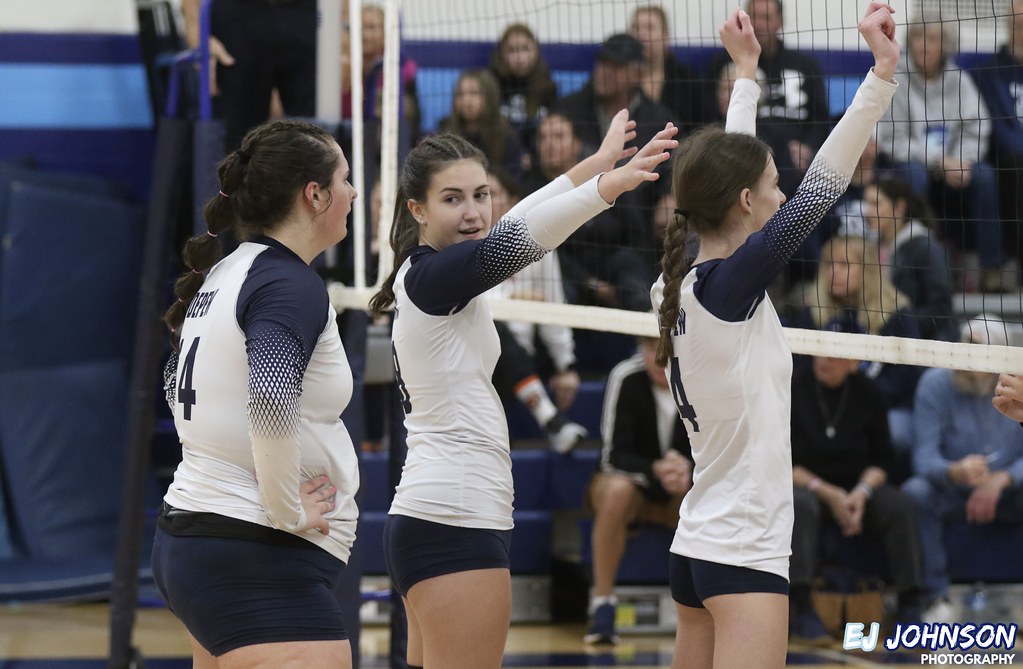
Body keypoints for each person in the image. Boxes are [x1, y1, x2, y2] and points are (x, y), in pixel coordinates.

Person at [368, 115, 678, 668]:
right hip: (456, 520)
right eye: (452, 199)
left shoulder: (431, 274)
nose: (473, 211)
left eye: (481, 194)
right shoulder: (435, 277)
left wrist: (596, 164)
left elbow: (519, 217)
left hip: (436, 517)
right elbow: (523, 239)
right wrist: (609, 188)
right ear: (417, 209)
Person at [651, 5, 898, 668]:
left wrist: (746, 75)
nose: (783, 194)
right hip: (742, 550)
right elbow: (824, 185)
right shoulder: (727, 287)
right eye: (772, 187)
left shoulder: (681, 279)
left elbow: (728, 166)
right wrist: (879, 77)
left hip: (697, 545)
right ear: (743, 203)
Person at [153, 120, 360, 668]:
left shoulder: (226, 272)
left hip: (202, 537)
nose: (353, 192)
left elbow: (176, 384)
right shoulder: (287, 284)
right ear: (314, 195)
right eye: (344, 179)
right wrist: (286, 509)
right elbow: (270, 398)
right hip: (253, 557)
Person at [788, 316, 925, 644]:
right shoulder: (793, 387)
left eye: (836, 353)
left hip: (857, 489)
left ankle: (910, 604)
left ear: (855, 362)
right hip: (808, 486)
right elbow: (780, 459)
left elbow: (883, 459)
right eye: (821, 349)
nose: (826, 359)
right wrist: (829, 493)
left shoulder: (870, 393)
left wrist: (861, 494)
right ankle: (801, 606)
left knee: (901, 505)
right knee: (799, 505)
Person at [902, 314, 1023, 624]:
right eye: (965, 343)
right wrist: (954, 471)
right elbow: (923, 458)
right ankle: (935, 598)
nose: (967, 355)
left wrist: (1004, 479)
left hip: (1010, 491)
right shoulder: (935, 383)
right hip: (952, 490)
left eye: (977, 347)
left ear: (1000, 355)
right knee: (915, 493)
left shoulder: (1017, 385)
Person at [875, 18, 1004, 291]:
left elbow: (978, 127)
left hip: (956, 162)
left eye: (932, 39)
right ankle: (921, 266)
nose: (924, 46)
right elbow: (891, 139)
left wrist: (961, 161)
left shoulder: (961, 80)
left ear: (945, 46)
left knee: (984, 176)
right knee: (914, 176)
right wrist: (939, 162)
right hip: (915, 163)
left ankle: (991, 269)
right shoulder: (897, 78)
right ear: (909, 43)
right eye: (918, 38)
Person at [584, 336, 693, 645]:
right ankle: (603, 604)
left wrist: (686, 470)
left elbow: (714, 448)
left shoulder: (697, 377)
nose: (658, 358)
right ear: (640, 349)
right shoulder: (626, 376)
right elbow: (612, 457)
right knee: (617, 490)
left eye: (665, 350)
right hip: (634, 486)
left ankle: (703, 606)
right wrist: (656, 469)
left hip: (681, 487)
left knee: (709, 494)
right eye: (650, 349)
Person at [790, 235, 923, 471]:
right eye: (829, 264)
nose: (834, 272)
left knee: (898, 433)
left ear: (867, 270)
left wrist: (861, 400)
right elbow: (800, 371)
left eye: (844, 264)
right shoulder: (811, 313)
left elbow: (904, 377)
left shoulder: (896, 314)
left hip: (882, 405)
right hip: (822, 403)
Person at [485, 168, 587, 453]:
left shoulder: (537, 243)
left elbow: (552, 306)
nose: (486, 203)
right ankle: (549, 419)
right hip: (477, 353)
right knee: (491, 326)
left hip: (521, 358)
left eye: (492, 194)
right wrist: (517, 296)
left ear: (512, 202)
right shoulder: (464, 243)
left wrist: (565, 365)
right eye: (481, 196)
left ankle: (549, 420)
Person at [703, 0, 832, 199]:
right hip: (743, 150)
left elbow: (820, 118)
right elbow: (708, 115)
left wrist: (807, 148)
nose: (759, 24)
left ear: (780, 21)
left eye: (766, 18)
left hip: (795, 160)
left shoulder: (805, 65)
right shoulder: (725, 63)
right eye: (754, 17)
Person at [182, 0, 317, 151]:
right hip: (236, 18)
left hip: (305, 11)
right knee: (236, 139)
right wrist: (196, 28)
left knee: (319, 137)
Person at [862, 176, 958, 342]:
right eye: (866, 203)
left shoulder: (925, 247)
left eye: (876, 204)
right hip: (885, 340)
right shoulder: (871, 247)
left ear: (899, 207)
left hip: (926, 341)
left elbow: (940, 310)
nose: (867, 211)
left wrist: (896, 323)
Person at [971, 0, 1023, 284]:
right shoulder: (990, 73)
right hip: (1006, 160)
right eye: (1017, 25)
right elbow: (1000, 132)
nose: (1021, 32)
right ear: (1008, 26)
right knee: (1015, 166)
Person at [439, 69, 526, 181]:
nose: (466, 100)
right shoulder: (446, 130)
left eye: (474, 93)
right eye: (460, 94)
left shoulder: (506, 134)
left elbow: (515, 179)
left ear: (490, 97)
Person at [489, 23, 558, 156]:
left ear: (535, 51)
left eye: (525, 49)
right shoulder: (492, 84)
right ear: (502, 54)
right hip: (501, 154)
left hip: (538, 156)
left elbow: (551, 127)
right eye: (512, 50)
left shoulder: (548, 86)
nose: (519, 57)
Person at [629, 4, 702, 131]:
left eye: (649, 27)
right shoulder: (620, 78)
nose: (641, 34)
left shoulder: (687, 79)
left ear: (665, 35)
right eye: (636, 28)